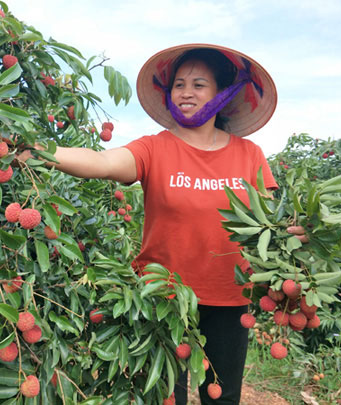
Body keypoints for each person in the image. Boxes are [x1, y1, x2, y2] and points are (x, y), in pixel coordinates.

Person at [26, 43, 308, 404]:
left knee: (221, 395)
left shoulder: (248, 154)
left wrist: (294, 235)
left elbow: (268, 224)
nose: (186, 92)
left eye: (199, 84)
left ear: (222, 94)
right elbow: (101, 162)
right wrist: (38, 151)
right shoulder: (153, 148)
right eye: (179, 84)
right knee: (160, 395)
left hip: (228, 296)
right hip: (161, 296)